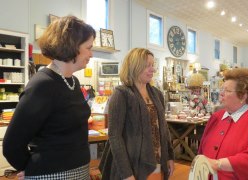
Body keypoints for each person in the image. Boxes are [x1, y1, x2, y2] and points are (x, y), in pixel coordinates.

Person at [3, 15, 96, 180]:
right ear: (73, 46)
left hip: (79, 171)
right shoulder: (42, 85)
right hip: (53, 175)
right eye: (89, 47)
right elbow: (12, 145)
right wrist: (33, 169)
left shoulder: (72, 81)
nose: (92, 54)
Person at [99, 48, 174, 180]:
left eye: (153, 65)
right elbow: (115, 136)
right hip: (132, 167)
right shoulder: (121, 94)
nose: (152, 69)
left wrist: (169, 156)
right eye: (147, 65)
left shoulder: (156, 94)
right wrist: (127, 174)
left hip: (157, 164)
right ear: (134, 66)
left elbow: (163, 127)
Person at [198, 68, 248, 179]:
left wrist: (218, 164)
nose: (221, 94)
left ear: (243, 96)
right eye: (222, 89)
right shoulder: (216, 117)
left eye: (227, 91)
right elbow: (202, 151)